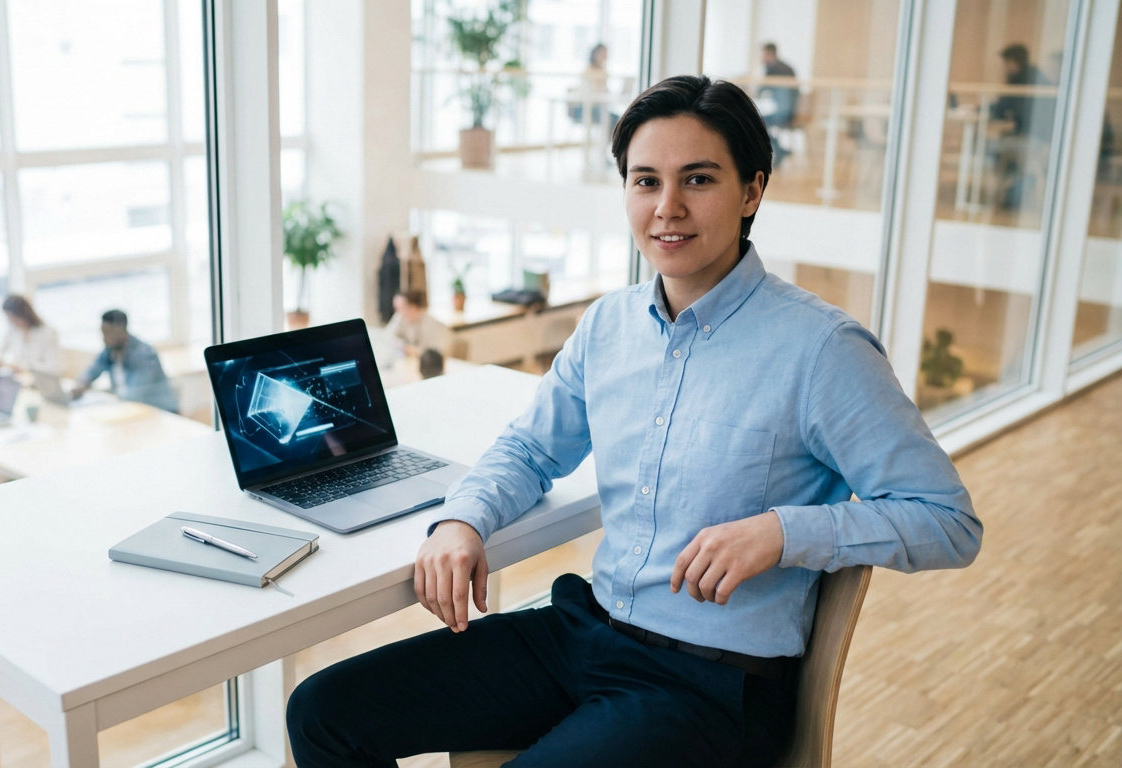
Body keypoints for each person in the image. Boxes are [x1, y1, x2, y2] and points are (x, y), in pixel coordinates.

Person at [287, 74, 982, 767]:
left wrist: (784, 532)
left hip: (709, 685)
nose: (667, 207)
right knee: (323, 712)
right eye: (645, 181)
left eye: (699, 180)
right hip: (585, 633)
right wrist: (464, 520)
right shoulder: (609, 325)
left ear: (751, 192)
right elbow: (531, 448)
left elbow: (947, 521)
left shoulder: (822, 350)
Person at [989, 43, 1056, 209]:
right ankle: (1017, 184)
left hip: (1033, 138)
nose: (1003, 68)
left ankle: (1013, 186)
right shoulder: (1036, 76)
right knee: (1003, 144)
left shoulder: (1020, 81)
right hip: (1044, 137)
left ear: (1012, 62)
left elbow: (1002, 109)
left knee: (992, 147)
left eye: (1004, 64)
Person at [72, 310, 178, 413]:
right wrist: (81, 384)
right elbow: (92, 371)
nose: (104, 339)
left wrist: (104, 400)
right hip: (131, 411)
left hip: (159, 412)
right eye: (103, 333)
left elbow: (135, 395)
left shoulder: (144, 354)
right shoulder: (109, 351)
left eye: (108, 333)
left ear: (121, 330)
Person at [377, 290, 446, 368]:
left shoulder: (432, 324)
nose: (398, 312)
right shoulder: (400, 317)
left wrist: (413, 350)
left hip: (429, 366)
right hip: (411, 364)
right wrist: (401, 345)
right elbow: (386, 337)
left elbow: (435, 353)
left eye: (401, 308)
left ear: (413, 307)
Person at [758, 42, 798, 167]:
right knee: (761, 120)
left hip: (785, 112)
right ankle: (781, 149)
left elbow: (761, 90)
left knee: (758, 121)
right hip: (791, 109)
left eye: (762, 54)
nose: (761, 58)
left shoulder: (773, 69)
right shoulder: (786, 67)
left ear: (769, 54)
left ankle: (779, 150)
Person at [0, 295, 59, 373]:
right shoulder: (13, 331)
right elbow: (1, 350)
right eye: (9, 319)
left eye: (13, 318)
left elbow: (53, 368)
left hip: (40, 379)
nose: (12, 322)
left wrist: (22, 367)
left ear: (23, 315)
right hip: (21, 379)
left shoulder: (47, 333)